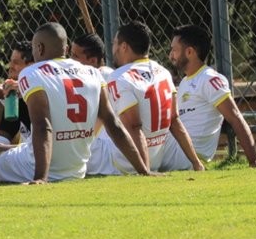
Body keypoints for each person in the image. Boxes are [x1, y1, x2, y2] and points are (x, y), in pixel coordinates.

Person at [0, 22, 151, 184]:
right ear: (66, 48)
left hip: (36, 165)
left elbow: (42, 126)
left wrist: (41, 178)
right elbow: (114, 125)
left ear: (39, 48)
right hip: (77, 169)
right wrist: (144, 170)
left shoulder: (32, 73)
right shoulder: (93, 73)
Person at [87, 21, 204, 175]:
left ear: (124, 47)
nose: (113, 48)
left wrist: (145, 171)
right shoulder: (163, 72)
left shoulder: (119, 77)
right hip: (154, 158)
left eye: (115, 43)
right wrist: (196, 163)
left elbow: (134, 127)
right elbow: (174, 120)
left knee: (76, 140)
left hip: (123, 162)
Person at [161, 24, 256, 169]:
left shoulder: (209, 79)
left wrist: (254, 160)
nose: (171, 55)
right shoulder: (184, 82)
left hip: (188, 158)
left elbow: (235, 117)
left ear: (189, 52)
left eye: (174, 50)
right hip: (174, 151)